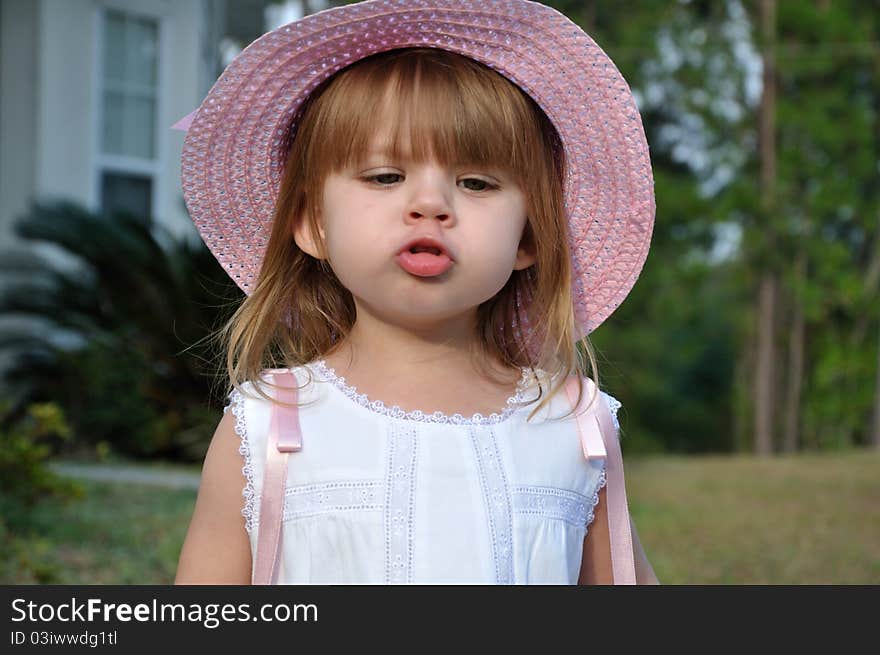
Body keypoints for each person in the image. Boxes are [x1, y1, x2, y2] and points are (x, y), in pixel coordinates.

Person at [174, 0, 659, 585]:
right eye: (385, 177)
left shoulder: (575, 428)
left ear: (528, 236)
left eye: (476, 183)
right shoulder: (268, 425)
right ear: (312, 224)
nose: (430, 204)